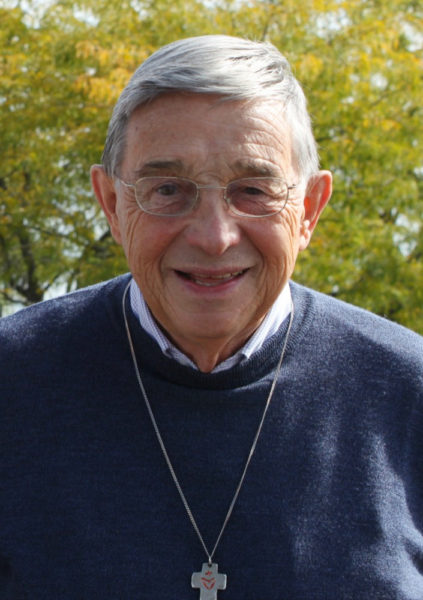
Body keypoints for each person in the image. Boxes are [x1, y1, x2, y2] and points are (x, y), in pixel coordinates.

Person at [0, 35, 422, 600]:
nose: (215, 237)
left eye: (252, 190)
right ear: (111, 205)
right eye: (168, 190)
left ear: (310, 209)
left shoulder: (408, 392)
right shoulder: (12, 380)